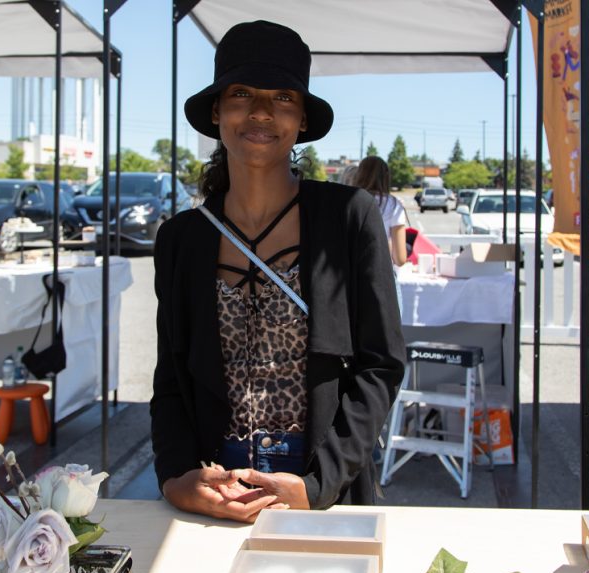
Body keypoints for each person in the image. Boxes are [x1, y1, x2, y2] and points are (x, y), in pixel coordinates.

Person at [151, 20, 405, 523]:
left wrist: (319, 484)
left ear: (303, 119)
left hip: (319, 490)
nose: (262, 112)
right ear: (218, 111)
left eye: (283, 97)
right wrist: (177, 477)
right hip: (215, 491)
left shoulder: (350, 216)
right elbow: (171, 380)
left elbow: (381, 365)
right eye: (242, 93)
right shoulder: (182, 237)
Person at [354, 156, 408, 267]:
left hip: (349, 276)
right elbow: (400, 258)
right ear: (386, 176)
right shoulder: (393, 205)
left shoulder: (348, 201)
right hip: (381, 274)